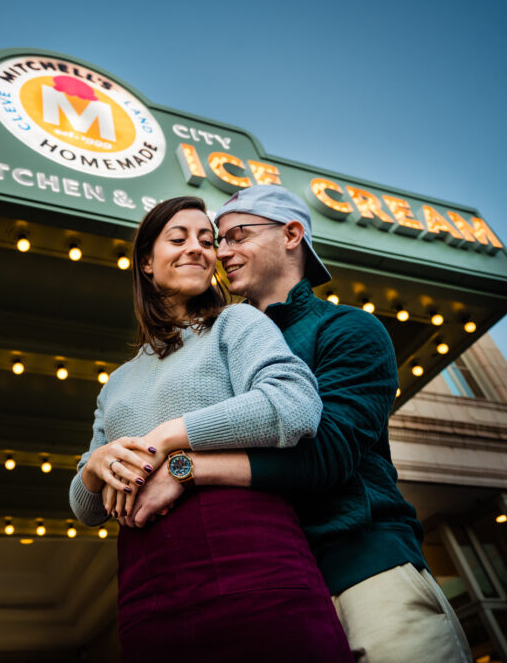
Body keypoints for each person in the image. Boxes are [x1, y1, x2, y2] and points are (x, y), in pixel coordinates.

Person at [131, 185, 472, 663]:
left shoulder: (348, 329)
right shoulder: (215, 349)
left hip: (364, 571)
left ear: (292, 234)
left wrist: (185, 467)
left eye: (237, 235)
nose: (220, 252)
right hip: (268, 587)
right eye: (218, 240)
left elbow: (327, 454)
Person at [69, 196, 352, 662]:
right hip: (146, 582)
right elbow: (85, 509)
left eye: (207, 240)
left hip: (251, 555)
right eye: (177, 239)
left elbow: (295, 405)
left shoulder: (235, 323)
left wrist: (169, 435)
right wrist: (95, 467)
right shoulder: (116, 381)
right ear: (145, 262)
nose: (198, 249)